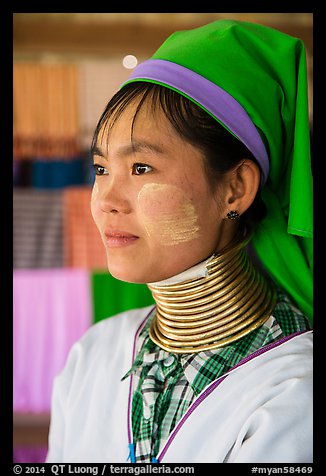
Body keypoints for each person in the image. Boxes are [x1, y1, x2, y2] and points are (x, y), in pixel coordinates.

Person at [46, 19, 313, 463]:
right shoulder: (93, 355)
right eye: (100, 169)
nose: (106, 200)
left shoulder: (293, 388)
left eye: (141, 168)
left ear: (235, 189)